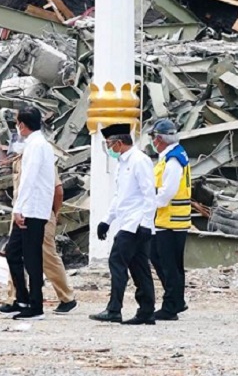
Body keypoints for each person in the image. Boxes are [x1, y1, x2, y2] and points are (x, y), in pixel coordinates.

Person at [0, 133, 77, 317]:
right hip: (22, 212)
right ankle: (15, 298)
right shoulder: (19, 159)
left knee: (45, 256)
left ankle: (66, 297)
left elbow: (58, 191)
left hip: (39, 213)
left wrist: (53, 214)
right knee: (15, 253)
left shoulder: (40, 155)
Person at [89, 123, 157, 325]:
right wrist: (106, 221)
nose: (109, 148)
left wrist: (146, 223)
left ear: (119, 143)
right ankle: (146, 311)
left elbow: (149, 194)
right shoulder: (123, 163)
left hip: (135, 223)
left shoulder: (139, 161)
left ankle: (114, 309)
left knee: (117, 262)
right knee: (139, 267)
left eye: (109, 144)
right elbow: (119, 196)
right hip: (127, 221)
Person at [0, 106, 56, 321]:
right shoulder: (35, 144)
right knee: (13, 252)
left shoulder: (37, 146)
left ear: (22, 125)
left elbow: (29, 178)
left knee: (32, 258)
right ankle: (21, 298)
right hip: (28, 207)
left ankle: (36, 305)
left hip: (31, 209)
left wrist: (19, 208)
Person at [149, 119, 191, 321]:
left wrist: (148, 203)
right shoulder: (172, 156)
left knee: (169, 264)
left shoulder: (173, 160)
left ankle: (171, 306)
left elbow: (168, 192)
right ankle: (176, 299)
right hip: (170, 219)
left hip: (171, 219)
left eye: (153, 137)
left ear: (159, 138)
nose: (152, 142)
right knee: (161, 259)